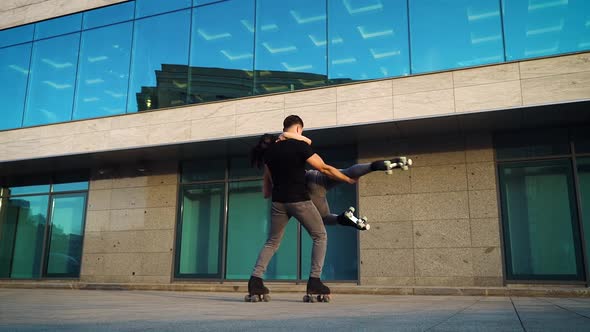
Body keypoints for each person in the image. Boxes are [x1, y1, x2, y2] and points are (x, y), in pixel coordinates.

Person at [247, 115, 355, 302]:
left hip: (278, 202)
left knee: (272, 242)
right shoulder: (299, 146)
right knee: (320, 236)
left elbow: (267, 190)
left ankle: (255, 281)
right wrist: (346, 179)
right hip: (299, 200)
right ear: (298, 128)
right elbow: (323, 168)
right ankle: (314, 281)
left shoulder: (270, 152)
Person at [251, 131, 411, 230]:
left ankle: (344, 218)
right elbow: (307, 143)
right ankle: (376, 166)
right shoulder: (289, 145)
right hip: (312, 177)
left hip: (300, 194)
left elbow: (266, 193)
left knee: (325, 218)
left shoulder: (268, 164)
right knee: (349, 171)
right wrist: (346, 179)